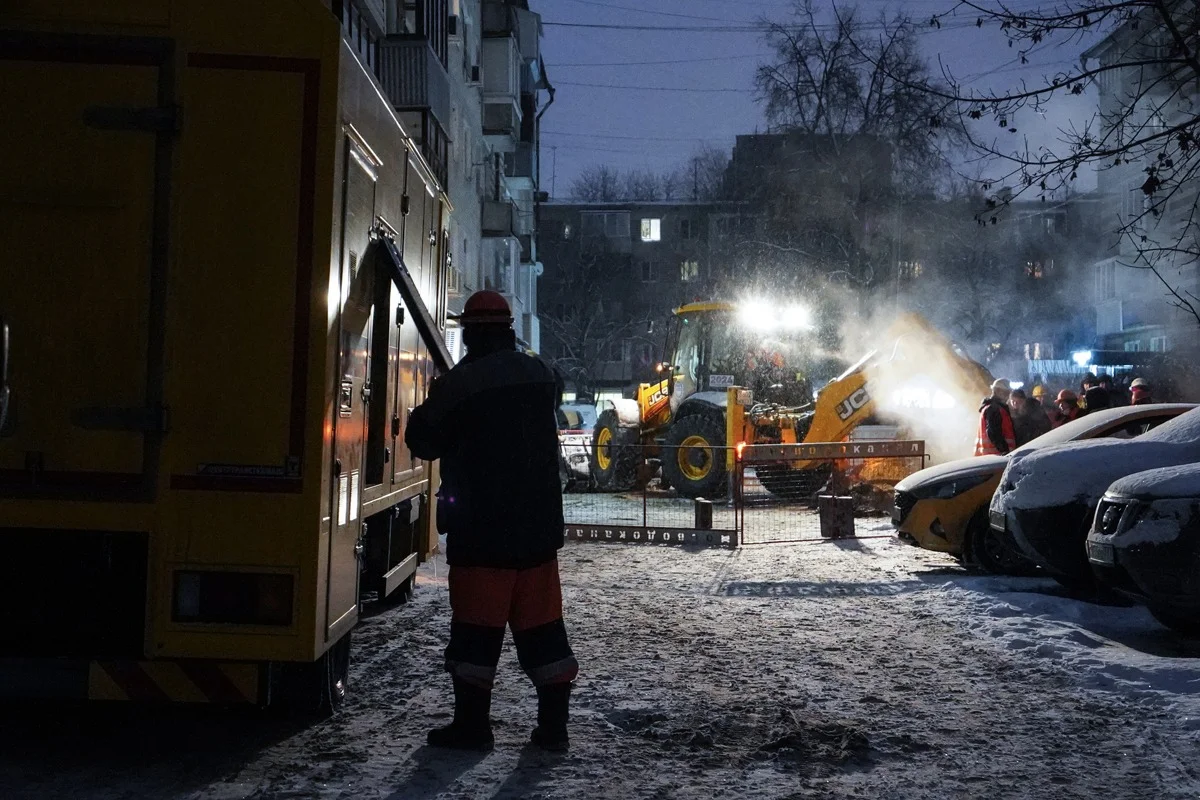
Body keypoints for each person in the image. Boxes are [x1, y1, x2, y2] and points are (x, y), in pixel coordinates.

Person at [406, 290, 578, 752]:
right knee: (544, 635)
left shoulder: (459, 385)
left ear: (469, 332)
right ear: (508, 329)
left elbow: (422, 439)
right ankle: (553, 729)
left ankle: (473, 728)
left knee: (475, 640)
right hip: (538, 537)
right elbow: (550, 389)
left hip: (482, 537)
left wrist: (432, 402)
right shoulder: (542, 374)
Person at [975, 379, 1017, 456]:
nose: (1008, 395)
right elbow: (993, 432)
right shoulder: (994, 409)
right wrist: (1004, 451)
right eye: (1006, 392)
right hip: (996, 457)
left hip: (990, 457)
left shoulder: (991, 408)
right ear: (997, 391)